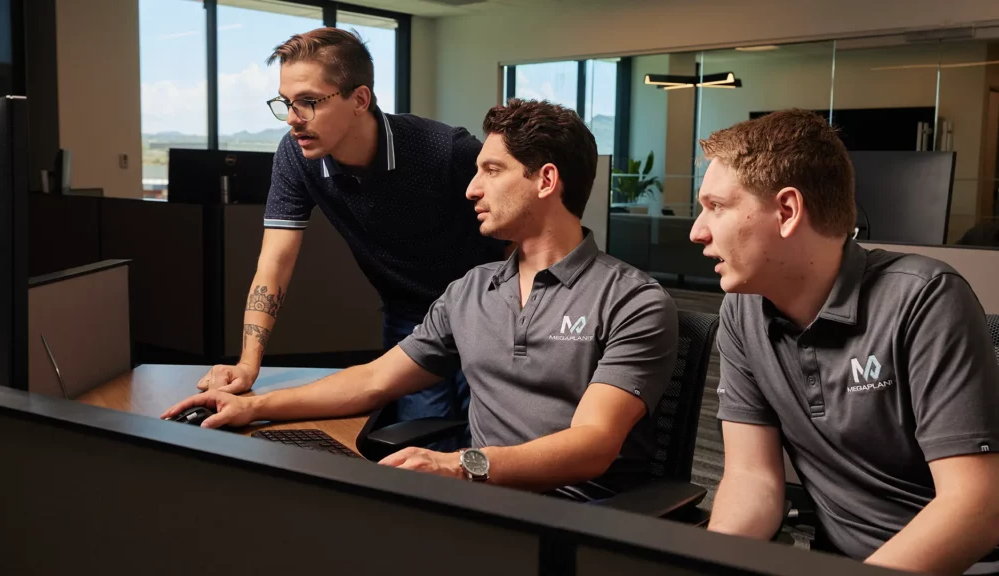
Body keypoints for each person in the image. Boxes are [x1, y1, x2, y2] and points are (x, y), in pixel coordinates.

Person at [163, 99, 679, 492]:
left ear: (546, 180)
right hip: (487, 504)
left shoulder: (632, 301)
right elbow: (374, 381)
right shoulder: (473, 290)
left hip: (583, 519)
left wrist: (461, 463)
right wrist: (252, 408)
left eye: (491, 171)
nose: (472, 189)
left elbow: (592, 447)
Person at [691, 109, 999, 575]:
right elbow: (752, 478)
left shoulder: (924, 298)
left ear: (788, 211)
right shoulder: (743, 310)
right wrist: (709, 563)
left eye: (716, 206)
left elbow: (975, 509)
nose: (698, 230)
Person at [196, 28, 506, 431]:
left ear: (360, 99)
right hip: (408, 313)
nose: (293, 119)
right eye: (287, 103)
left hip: (482, 307)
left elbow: (518, 227)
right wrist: (247, 364)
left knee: (487, 434)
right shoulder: (296, 155)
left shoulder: (445, 150)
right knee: (420, 434)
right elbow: (274, 264)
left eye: (308, 102)